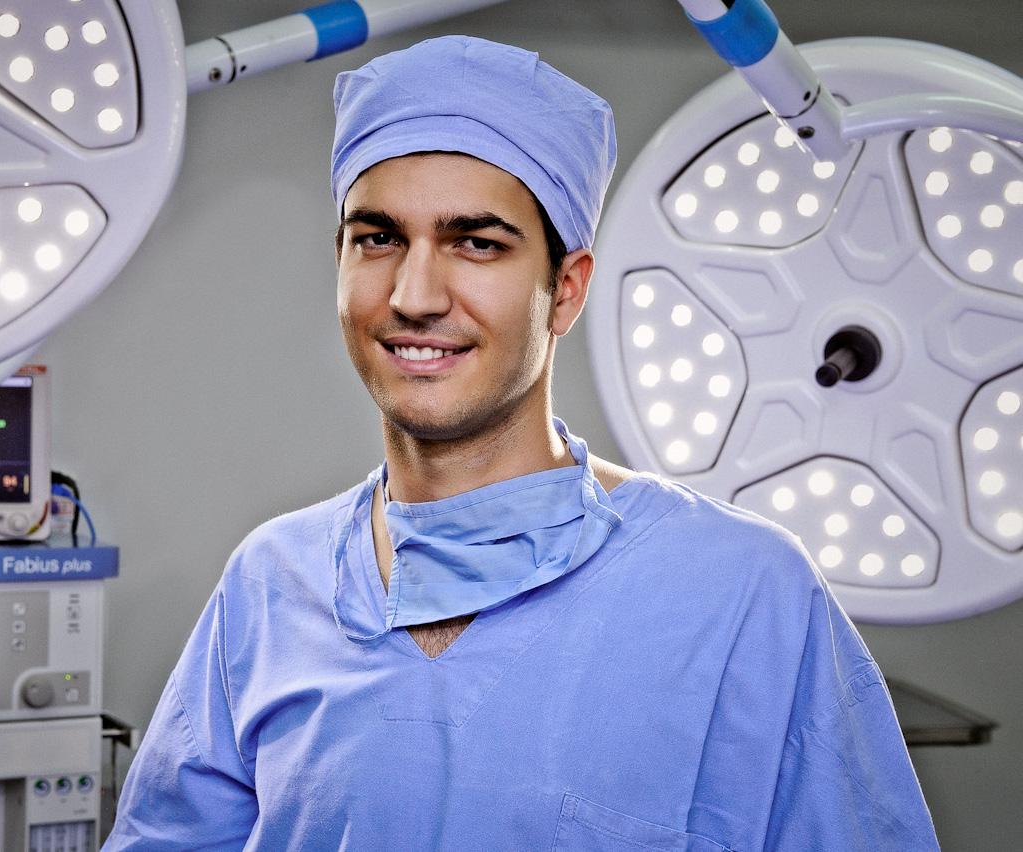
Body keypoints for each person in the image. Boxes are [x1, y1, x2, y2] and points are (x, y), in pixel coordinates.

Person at [104, 35, 940, 851]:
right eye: (379, 238)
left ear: (564, 290)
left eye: (477, 242)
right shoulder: (271, 584)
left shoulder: (743, 595)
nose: (415, 294)